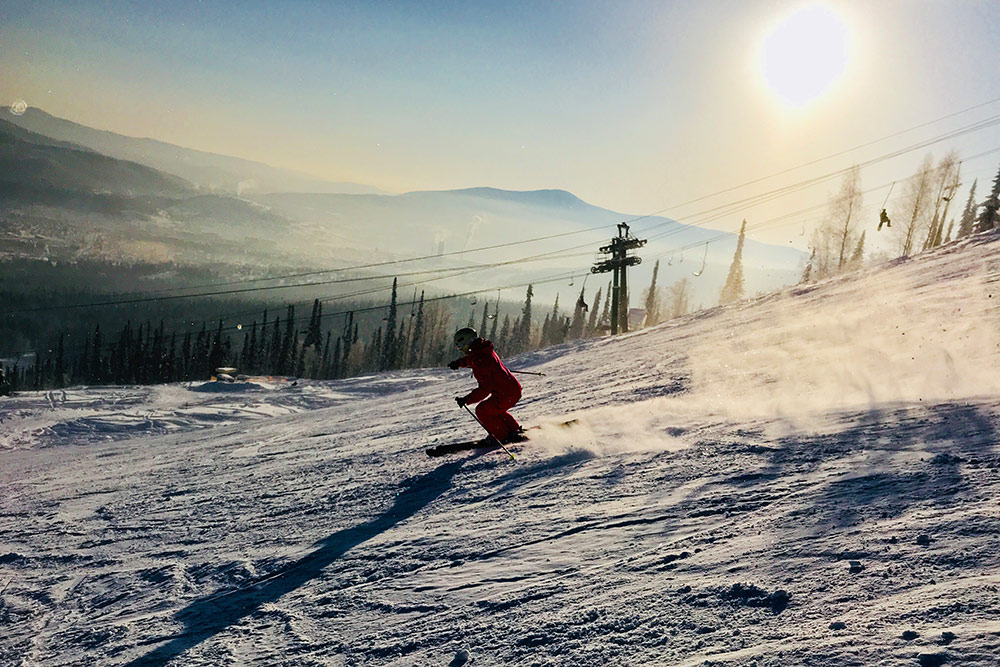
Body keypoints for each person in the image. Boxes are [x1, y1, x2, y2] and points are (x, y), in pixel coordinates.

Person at [447, 327, 524, 445]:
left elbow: (484, 389)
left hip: (505, 394)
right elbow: (473, 358)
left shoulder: (480, 360)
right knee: (494, 409)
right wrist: (459, 363)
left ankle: (503, 435)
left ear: (467, 343)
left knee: (482, 410)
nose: (462, 350)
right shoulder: (482, 349)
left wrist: (466, 400)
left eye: (461, 346)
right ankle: (513, 429)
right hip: (510, 390)